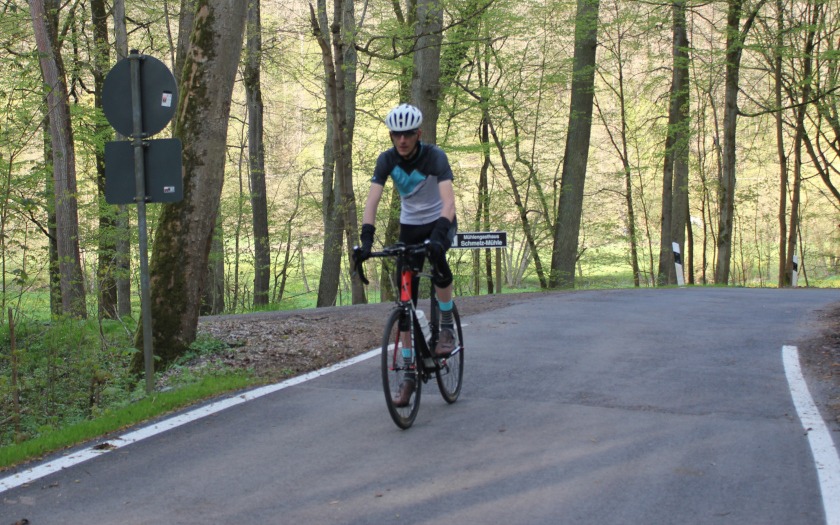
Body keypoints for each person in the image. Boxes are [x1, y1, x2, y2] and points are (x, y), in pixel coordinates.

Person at [357, 103, 458, 407]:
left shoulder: (435, 157)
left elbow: (448, 202)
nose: (402, 140)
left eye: (408, 134)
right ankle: (410, 375)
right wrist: (365, 240)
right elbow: (372, 201)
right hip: (410, 226)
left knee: (439, 262)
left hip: (440, 220)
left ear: (419, 133)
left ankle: (448, 329)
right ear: (391, 135)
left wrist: (439, 236)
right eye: (396, 135)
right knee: (405, 305)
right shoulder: (387, 160)